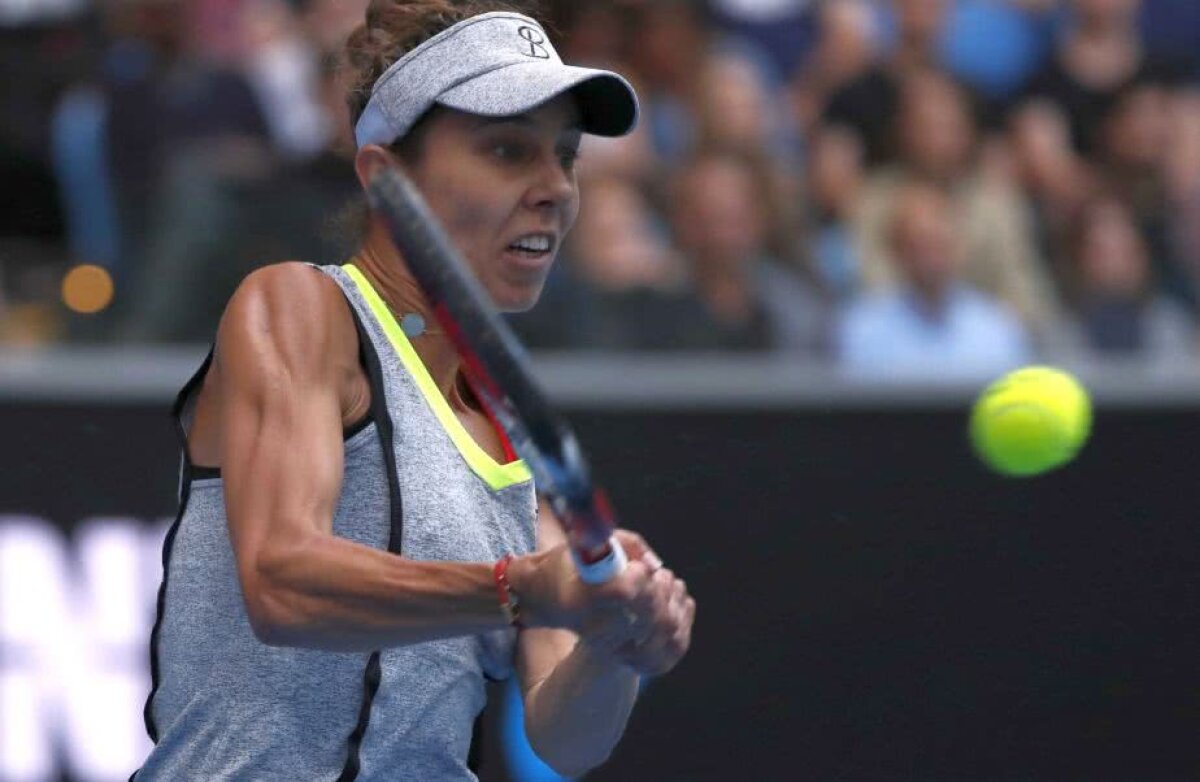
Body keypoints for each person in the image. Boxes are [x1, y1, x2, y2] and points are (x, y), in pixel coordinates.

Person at [133, 2, 696, 780]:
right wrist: (523, 587)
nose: (555, 190)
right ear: (386, 179)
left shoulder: (508, 441)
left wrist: (615, 646)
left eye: (564, 156)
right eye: (508, 150)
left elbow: (563, 740)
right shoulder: (299, 308)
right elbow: (282, 584)